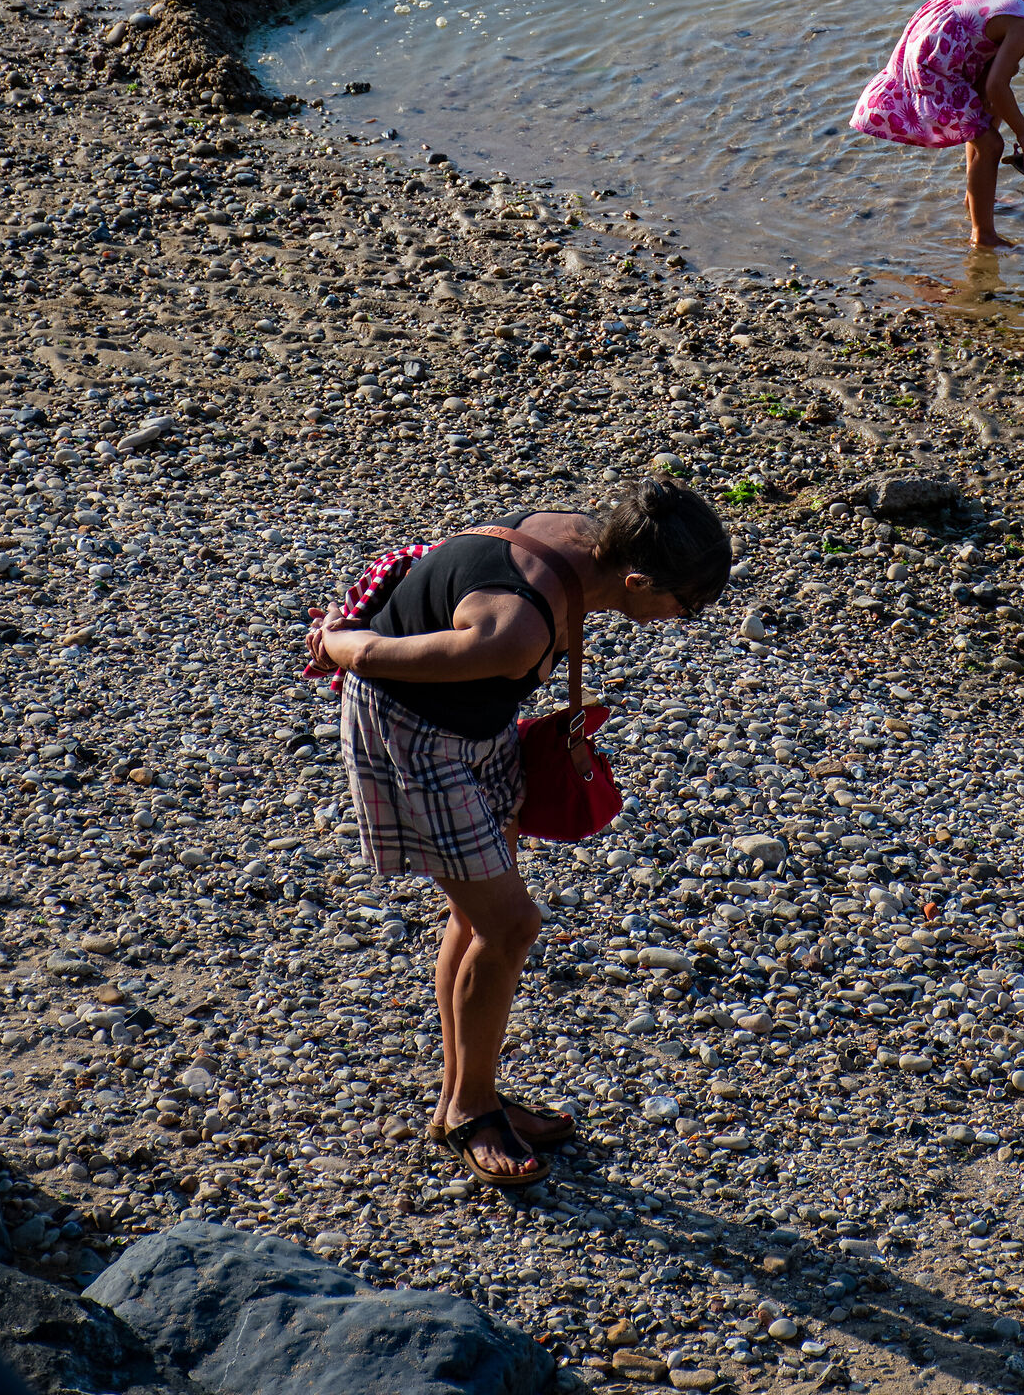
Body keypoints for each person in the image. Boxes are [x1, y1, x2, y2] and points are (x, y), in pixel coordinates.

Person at [305, 479, 731, 1192]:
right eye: (682, 606)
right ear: (635, 578)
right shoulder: (515, 631)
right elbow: (373, 658)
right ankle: (470, 1110)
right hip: (416, 737)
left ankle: (463, 1096)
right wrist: (339, 641)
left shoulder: (570, 531)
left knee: (476, 917)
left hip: (475, 724)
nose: (678, 619)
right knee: (511, 925)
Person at [851, 0, 1024, 248]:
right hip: (931, 66)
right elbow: (996, 85)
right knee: (991, 144)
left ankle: (975, 198)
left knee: (989, 111)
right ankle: (983, 234)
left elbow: (983, 8)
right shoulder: (1023, 28)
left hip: (936, 31)